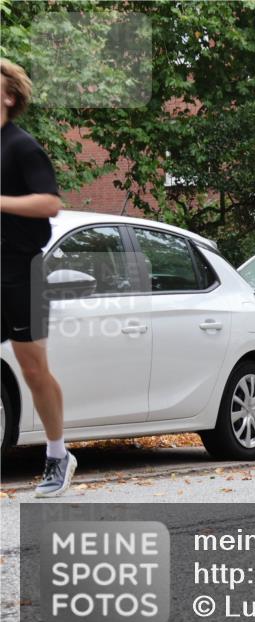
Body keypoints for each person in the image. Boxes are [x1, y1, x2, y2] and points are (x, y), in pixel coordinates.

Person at [0, 59, 74, 496]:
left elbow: (50, 204)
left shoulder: (22, 146)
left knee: (33, 369)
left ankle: (57, 455)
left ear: (9, 96)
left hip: (22, 269)